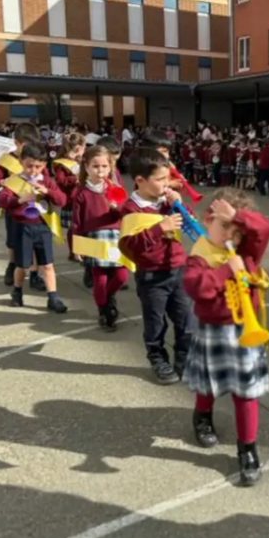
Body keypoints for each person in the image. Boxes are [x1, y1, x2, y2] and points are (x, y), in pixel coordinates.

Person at [183, 189, 269, 486]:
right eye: (224, 228)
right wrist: (225, 272)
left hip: (245, 332)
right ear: (208, 220)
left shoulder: (246, 250)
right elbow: (198, 289)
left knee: (246, 392)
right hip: (213, 329)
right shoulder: (200, 254)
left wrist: (236, 219)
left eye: (236, 231)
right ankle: (202, 415)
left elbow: (264, 228)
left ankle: (247, 448)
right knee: (209, 382)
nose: (230, 237)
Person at [118, 148, 194, 384]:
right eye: (160, 179)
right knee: (155, 321)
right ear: (140, 180)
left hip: (178, 269)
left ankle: (185, 357)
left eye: (167, 178)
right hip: (152, 276)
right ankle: (157, 356)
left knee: (186, 320)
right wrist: (159, 228)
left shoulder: (166, 202)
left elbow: (189, 224)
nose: (166, 184)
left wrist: (180, 206)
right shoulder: (131, 208)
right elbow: (130, 247)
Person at [0, 142, 69, 313]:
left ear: (44, 165)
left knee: (48, 264)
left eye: (38, 166)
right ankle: (17, 291)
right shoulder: (14, 181)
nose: (33, 170)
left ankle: (53, 297)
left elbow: (62, 200)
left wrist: (48, 192)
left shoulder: (47, 181)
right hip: (23, 227)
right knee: (22, 265)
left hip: (43, 226)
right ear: (22, 162)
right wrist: (21, 199)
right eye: (29, 166)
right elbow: (2, 200)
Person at [70, 145, 129, 330]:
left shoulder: (116, 189)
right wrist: (76, 246)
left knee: (121, 277)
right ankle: (105, 311)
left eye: (104, 166)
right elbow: (77, 223)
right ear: (86, 167)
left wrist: (116, 208)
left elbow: (127, 214)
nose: (100, 171)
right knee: (100, 280)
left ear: (110, 167)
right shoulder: (81, 193)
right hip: (94, 239)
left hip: (114, 237)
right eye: (95, 166)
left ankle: (107, 298)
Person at [0, 122, 44, 289]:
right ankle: (11, 266)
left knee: (35, 242)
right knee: (13, 241)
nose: (29, 149)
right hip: (14, 207)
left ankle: (34, 274)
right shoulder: (7, 160)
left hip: (34, 207)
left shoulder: (37, 157)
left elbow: (46, 178)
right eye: (25, 145)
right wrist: (2, 180)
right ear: (17, 143)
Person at [52, 132, 86, 261]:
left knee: (81, 226)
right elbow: (60, 180)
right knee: (74, 227)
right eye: (84, 147)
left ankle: (80, 250)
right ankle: (74, 252)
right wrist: (75, 179)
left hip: (81, 196)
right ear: (78, 148)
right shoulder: (63, 163)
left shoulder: (79, 161)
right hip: (72, 199)